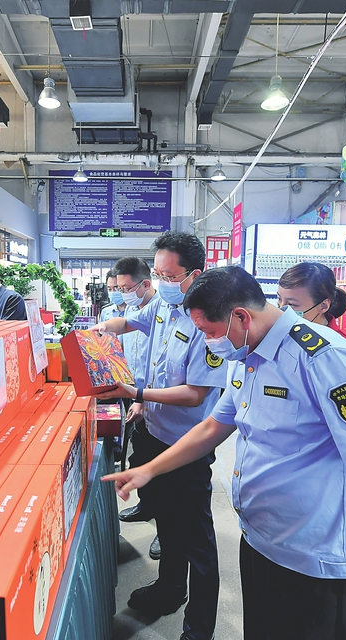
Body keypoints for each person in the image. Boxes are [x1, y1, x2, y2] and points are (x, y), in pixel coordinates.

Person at [104, 265, 346, 640]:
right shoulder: (247, 355)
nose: (209, 343)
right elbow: (213, 426)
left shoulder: (322, 358)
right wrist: (149, 470)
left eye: (209, 333)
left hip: (319, 563)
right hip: (263, 543)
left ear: (241, 316)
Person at [92, 231, 225, 640]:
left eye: (170, 275)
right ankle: (170, 590)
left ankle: (199, 626)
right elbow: (128, 321)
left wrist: (137, 393)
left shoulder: (207, 320)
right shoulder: (162, 309)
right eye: (158, 272)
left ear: (193, 275)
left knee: (196, 542)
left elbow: (196, 393)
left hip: (186, 448)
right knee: (166, 524)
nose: (163, 281)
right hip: (153, 433)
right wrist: (101, 331)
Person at [110, 256, 160, 558]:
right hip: (134, 393)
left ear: (145, 284)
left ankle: (163, 532)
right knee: (140, 453)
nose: (122, 293)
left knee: (167, 477)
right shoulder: (131, 310)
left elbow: (158, 365)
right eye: (118, 287)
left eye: (126, 287)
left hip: (155, 397)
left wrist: (142, 397)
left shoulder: (160, 312)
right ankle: (147, 505)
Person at [277, 261, 346, 351]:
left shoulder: (344, 347)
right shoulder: (282, 334)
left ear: (323, 306)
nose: (282, 309)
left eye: (291, 304)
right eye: (279, 299)